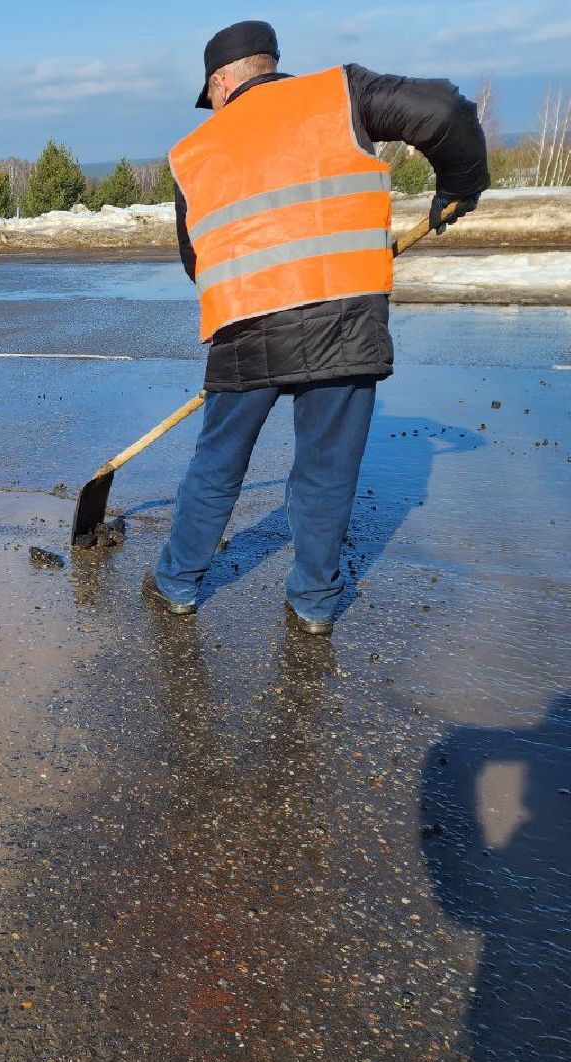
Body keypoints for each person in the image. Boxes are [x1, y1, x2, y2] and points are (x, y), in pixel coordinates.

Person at [142, 20, 488, 634]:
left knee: (217, 464)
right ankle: (314, 604)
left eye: (210, 95)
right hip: (343, 317)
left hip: (244, 322)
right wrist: (462, 183)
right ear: (269, 64)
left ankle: (176, 583)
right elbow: (444, 110)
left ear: (220, 82)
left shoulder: (192, 153)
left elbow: (195, 260)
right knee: (326, 470)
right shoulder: (340, 94)